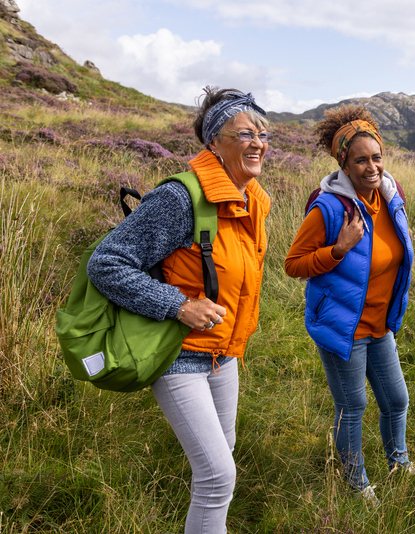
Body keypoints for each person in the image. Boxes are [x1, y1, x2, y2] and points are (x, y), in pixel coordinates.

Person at [87, 87, 271, 533]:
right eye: (245, 134)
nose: (258, 144)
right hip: (179, 354)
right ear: (214, 142)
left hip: (224, 355)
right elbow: (106, 262)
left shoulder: (251, 200)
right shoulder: (180, 199)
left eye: (263, 134)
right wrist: (179, 305)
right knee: (218, 475)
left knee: (221, 463)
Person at [284, 104, 415, 506]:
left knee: (396, 400)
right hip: (343, 327)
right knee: (352, 406)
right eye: (360, 160)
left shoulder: (392, 197)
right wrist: (338, 249)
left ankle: (399, 464)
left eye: (376, 157)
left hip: (379, 324)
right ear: (344, 163)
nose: (371, 167)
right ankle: (356, 483)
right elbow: (293, 264)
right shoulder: (329, 207)